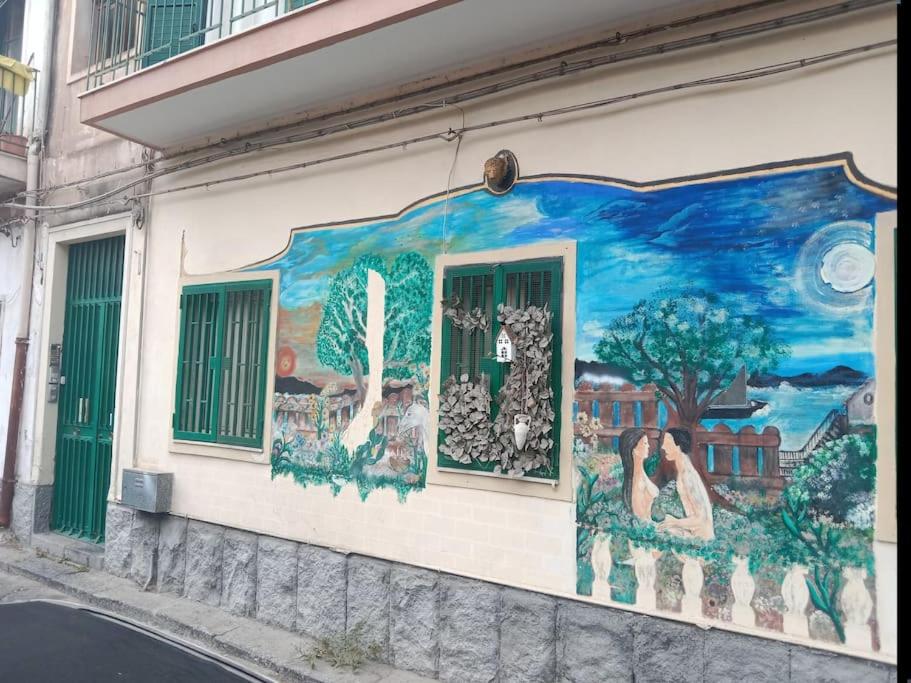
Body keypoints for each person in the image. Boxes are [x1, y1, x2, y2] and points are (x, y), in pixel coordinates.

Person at [656, 428, 715, 540]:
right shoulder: (683, 472)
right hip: (694, 534)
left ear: (679, 446)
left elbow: (701, 519)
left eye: (667, 443)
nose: (663, 447)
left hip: (701, 540)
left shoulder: (688, 476)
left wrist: (675, 522)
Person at [618, 428, 658, 523]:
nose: (648, 446)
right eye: (645, 443)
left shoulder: (641, 474)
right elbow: (640, 518)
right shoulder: (637, 482)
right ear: (634, 450)